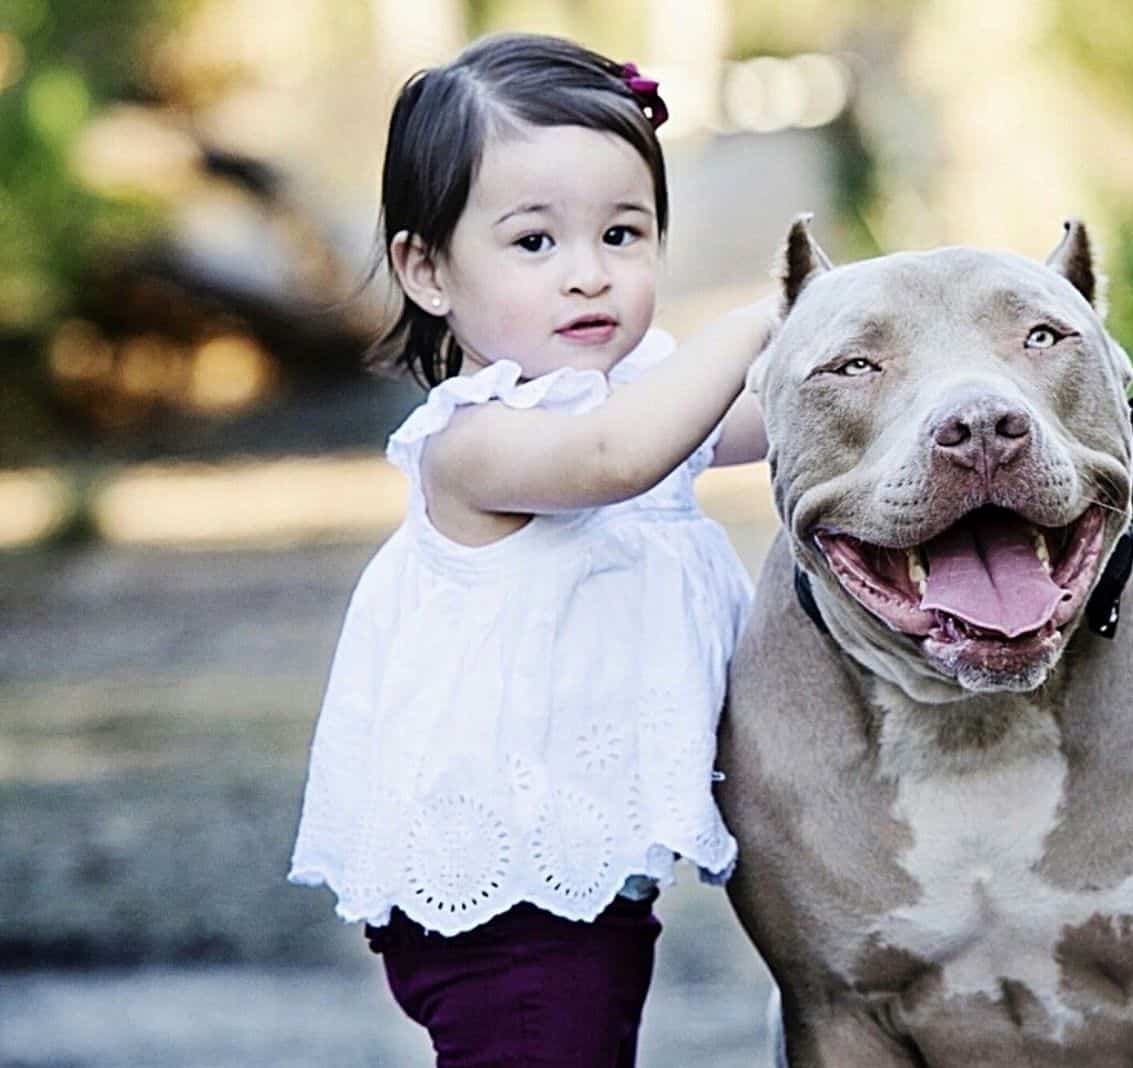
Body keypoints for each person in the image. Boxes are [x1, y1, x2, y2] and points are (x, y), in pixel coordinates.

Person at [287, 32, 773, 1068]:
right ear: (427, 269)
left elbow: (773, 427)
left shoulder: (632, 398)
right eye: (535, 243)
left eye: (624, 233)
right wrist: (757, 323)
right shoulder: (477, 441)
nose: (589, 277)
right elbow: (615, 459)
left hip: (581, 880)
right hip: (496, 903)